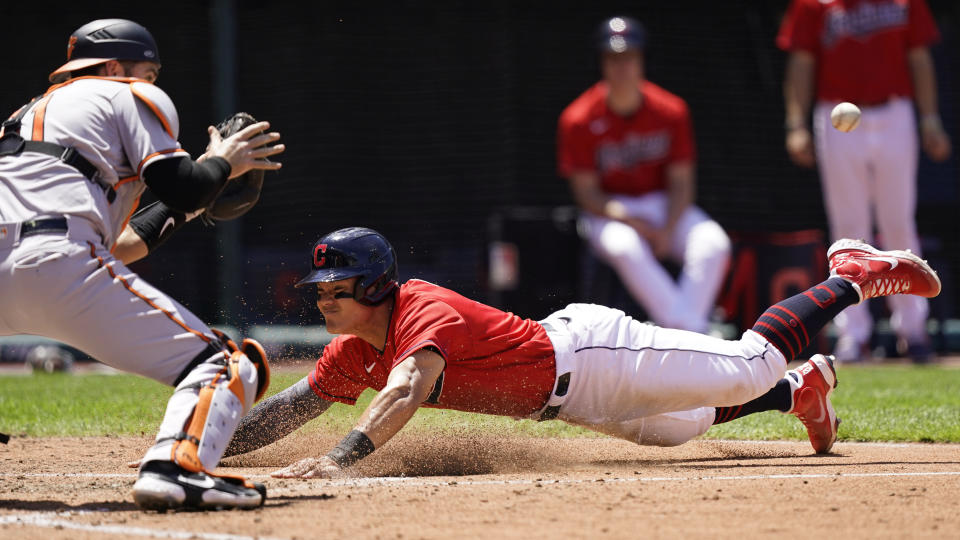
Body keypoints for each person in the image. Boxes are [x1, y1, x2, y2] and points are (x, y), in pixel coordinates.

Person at [219, 227, 939, 479]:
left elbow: (408, 388)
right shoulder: (351, 350)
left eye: (336, 287)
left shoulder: (420, 312)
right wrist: (206, 446)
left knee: (749, 361)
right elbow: (290, 410)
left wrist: (340, 458)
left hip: (594, 352)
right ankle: (800, 389)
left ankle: (851, 274)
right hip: (568, 402)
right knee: (680, 426)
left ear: (375, 284)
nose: (322, 300)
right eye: (319, 289)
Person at [0, 19, 285, 510]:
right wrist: (221, 161)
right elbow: (185, 185)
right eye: (148, 69)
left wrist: (199, 187)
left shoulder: (23, 119)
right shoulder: (125, 93)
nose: (151, 80)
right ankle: (174, 470)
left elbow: (122, 244)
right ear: (114, 66)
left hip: (31, 257)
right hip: (56, 260)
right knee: (222, 365)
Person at [778, 0, 952, 363]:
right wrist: (796, 125)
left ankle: (913, 331)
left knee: (898, 222)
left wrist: (930, 117)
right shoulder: (815, 4)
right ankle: (852, 335)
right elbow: (801, 62)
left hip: (894, 112)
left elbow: (918, 57)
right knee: (847, 227)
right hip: (835, 115)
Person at [556, 16, 731, 334]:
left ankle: (683, 332)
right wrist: (628, 219)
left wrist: (668, 227)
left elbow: (681, 182)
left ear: (641, 60)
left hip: (662, 203)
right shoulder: (578, 118)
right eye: (614, 58)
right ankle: (692, 330)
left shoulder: (670, 109)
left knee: (713, 243)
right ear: (602, 63)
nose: (622, 67)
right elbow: (587, 194)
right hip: (608, 211)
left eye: (629, 57)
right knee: (626, 246)